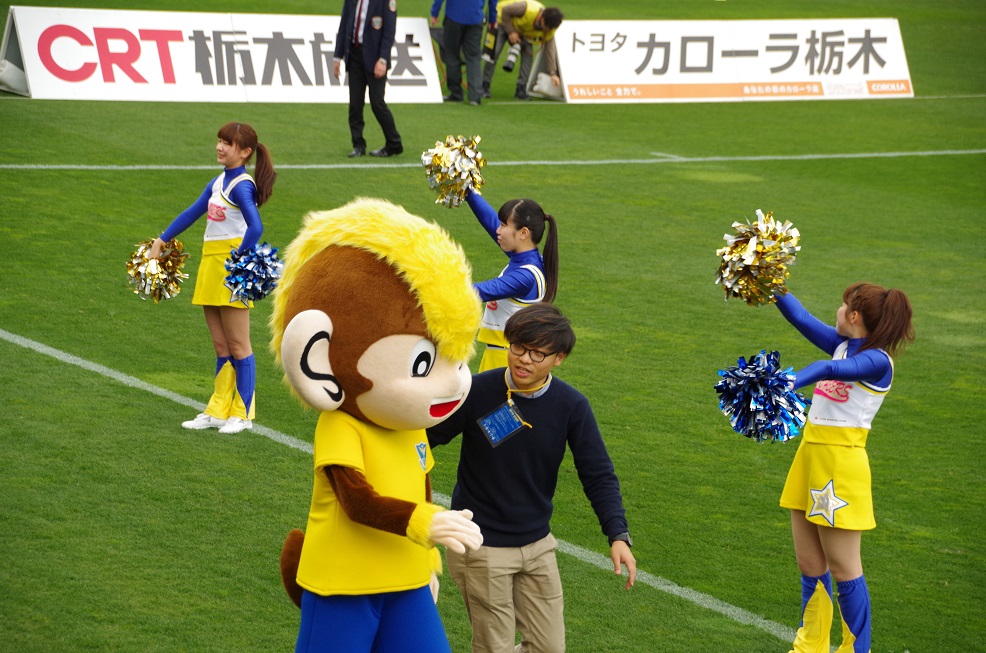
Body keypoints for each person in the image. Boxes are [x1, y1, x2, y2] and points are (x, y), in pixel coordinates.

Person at [428, 303, 636, 653]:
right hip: (481, 546)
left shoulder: (572, 406)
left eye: (538, 353)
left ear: (559, 358)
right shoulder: (476, 391)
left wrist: (618, 534)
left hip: (538, 546)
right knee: (494, 648)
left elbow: (598, 474)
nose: (524, 359)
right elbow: (423, 438)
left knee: (548, 648)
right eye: (518, 347)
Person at [772, 283, 914, 653]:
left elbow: (829, 369)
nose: (837, 310)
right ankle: (809, 647)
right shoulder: (842, 344)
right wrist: (770, 282)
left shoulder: (878, 361)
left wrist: (784, 383)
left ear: (853, 316)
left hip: (841, 466)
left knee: (844, 570)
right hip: (810, 457)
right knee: (809, 564)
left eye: (843, 305)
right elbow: (800, 317)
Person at [148, 122, 277, 435]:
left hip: (230, 270)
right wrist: (161, 240)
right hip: (210, 264)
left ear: (245, 152)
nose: (219, 147)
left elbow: (256, 227)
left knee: (239, 344)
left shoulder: (242, 185)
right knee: (221, 346)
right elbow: (192, 212)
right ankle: (218, 410)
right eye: (219, 141)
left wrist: (239, 257)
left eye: (227, 144)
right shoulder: (219, 181)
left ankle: (242, 414)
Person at [465, 188, 559, 372]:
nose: (498, 230)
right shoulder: (527, 258)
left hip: (504, 361)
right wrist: (469, 192)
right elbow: (490, 221)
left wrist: (427, 284)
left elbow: (475, 292)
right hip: (502, 355)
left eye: (503, 225)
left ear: (523, 233)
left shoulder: (525, 277)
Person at [334, 0, 403, 158]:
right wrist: (337, 56)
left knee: (377, 103)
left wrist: (383, 59)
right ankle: (358, 145)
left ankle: (394, 143)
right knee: (355, 104)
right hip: (354, 55)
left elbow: (389, 31)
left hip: (375, 58)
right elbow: (344, 25)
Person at [481, 1, 562, 100]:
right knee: (494, 53)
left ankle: (521, 89)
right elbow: (506, 11)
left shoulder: (550, 29)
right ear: (543, 19)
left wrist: (553, 73)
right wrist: (511, 32)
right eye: (546, 28)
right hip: (502, 20)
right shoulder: (527, 9)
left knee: (528, 56)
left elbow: (550, 50)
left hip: (523, 30)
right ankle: (484, 85)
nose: (547, 31)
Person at [430, 0, 498, 106]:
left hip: (454, 16)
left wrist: (435, 12)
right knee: (473, 57)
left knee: (452, 55)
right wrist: (492, 18)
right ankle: (475, 96)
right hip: (475, 18)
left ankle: (456, 92)